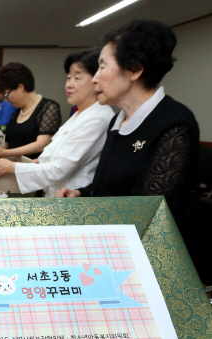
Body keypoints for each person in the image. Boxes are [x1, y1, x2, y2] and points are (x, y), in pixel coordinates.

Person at [57, 20, 199, 224]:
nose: (95, 78)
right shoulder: (119, 119)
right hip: (108, 232)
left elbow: (148, 213)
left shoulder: (175, 124)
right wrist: (82, 194)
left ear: (134, 69)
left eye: (102, 66)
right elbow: (110, 188)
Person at [0, 49, 115, 197]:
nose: (69, 84)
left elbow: (58, 168)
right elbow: (56, 154)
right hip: (52, 192)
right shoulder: (79, 114)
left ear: (96, 79)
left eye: (77, 78)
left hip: (70, 199)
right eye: (68, 78)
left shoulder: (98, 118)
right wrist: (39, 162)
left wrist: (11, 166)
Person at [0, 62, 62, 160]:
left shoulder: (49, 107)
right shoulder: (16, 113)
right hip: (11, 167)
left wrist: (6, 153)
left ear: (20, 87)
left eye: (6, 94)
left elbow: (41, 144)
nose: (6, 100)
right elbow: (7, 142)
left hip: (32, 169)